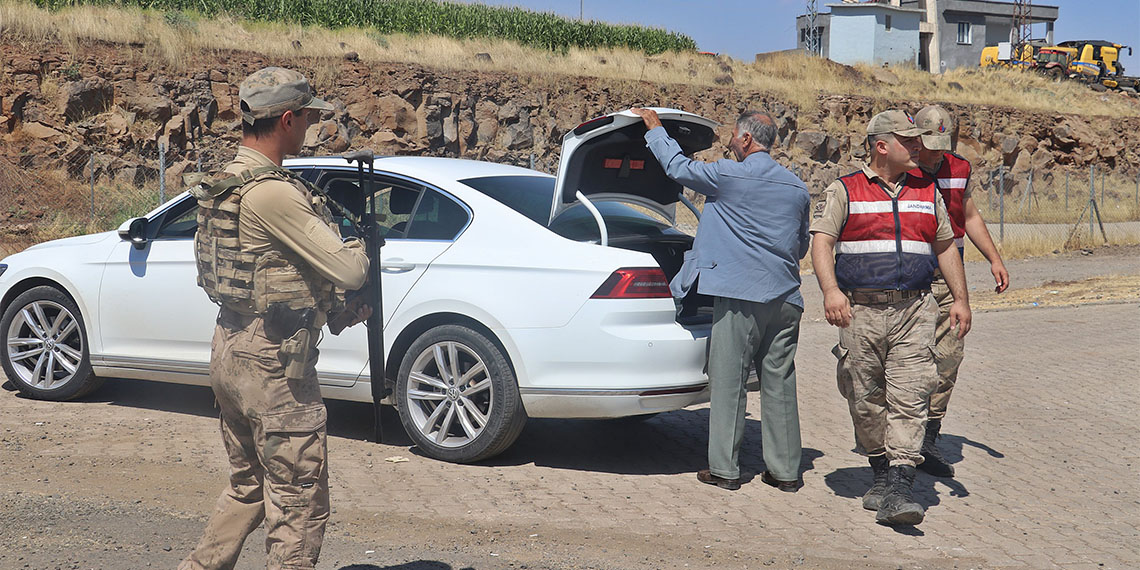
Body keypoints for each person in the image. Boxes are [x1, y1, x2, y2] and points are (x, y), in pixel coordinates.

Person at [179, 67, 370, 570]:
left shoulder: (230, 182)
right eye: (307, 116)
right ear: (287, 119)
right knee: (298, 501)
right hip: (273, 364)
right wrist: (361, 244)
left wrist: (335, 310)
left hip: (232, 346)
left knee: (248, 489)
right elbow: (349, 270)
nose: (311, 126)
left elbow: (276, 273)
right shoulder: (274, 192)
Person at [631, 107, 811, 493]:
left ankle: (725, 470)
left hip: (739, 294)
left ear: (746, 139)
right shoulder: (797, 187)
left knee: (729, 381)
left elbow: (678, 168)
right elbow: (801, 245)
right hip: (786, 298)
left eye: (732, 135)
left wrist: (655, 129)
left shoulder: (729, 174)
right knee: (779, 382)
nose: (729, 141)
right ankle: (785, 472)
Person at [809, 109, 971, 526]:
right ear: (882, 146)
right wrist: (830, 292)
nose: (919, 146)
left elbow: (945, 247)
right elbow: (822, 243)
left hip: (915, 310)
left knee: (912, 394)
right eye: (909, 140)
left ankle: (900, 485)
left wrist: (961, 299)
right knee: (863, 399)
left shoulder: (926, 190)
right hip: (859, 312)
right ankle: (880, 471)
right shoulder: (844, 190)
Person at [910, 105, 1009, 478]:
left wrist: (994, 259)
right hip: (909, 278)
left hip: (949, 278)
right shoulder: (903, 168)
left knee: (949, 355)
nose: (936, 152)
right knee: (905, 360)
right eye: (928, 143)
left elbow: (968, 216)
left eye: (942, 143)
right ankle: (896, 434)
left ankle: (927, 438)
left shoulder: (960, 168)